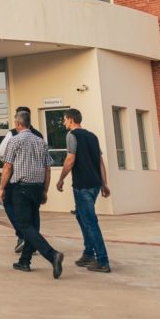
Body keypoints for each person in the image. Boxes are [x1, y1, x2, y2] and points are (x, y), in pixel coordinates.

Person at [0, 110, 64, 279]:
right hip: (37, 187)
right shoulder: (40, 141)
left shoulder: (14, 140)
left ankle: (52, 255)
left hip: (21, 188)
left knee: (24, 225)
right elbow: (47, 168)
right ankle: (24, 261)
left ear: (18, 124)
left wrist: (1, 188)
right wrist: (44, 190)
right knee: (33, 226)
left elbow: (7, 167)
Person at [56, 108, 112, 273]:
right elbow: (100, 162)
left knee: (90, 222)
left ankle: (102, 260)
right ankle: (88, 254)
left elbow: (70, 159)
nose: (63, 122)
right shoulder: (92, 136)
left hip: (82, 186)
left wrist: (61, 179)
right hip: (94, 185)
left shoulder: (72, 135)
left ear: (71, 119)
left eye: (65, 119)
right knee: (81, 217)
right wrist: (104, 183)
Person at [0, 107, 45, 253]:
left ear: (19, 121)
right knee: (33, 213)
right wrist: (45, 188)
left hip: (18, 180)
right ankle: (29, 251)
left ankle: (24, 236)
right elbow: (46, 165)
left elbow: (3, 155)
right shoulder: (39, 136)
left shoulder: (13, 134)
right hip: (37, 182)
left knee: (10, 204)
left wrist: (1, 187)